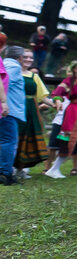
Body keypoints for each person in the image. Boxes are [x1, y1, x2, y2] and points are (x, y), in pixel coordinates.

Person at [14, 49, 51, 174]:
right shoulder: (11, 73)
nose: (29, 60)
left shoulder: (34, 76)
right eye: (26, 57)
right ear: (19, 58)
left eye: (31, 57)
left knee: (26, 138)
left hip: (30, 110)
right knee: (12, 137)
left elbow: (43, 96)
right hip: (15, 107)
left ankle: (20, 168)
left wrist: (55, 104)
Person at [0, 46, 26, 185]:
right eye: (24, 56)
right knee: (9, 141)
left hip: (6, 109)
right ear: (19, 57)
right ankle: (5, 173)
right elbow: (4, 82)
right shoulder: (13, 67)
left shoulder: (4, 63)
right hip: (8, 111)